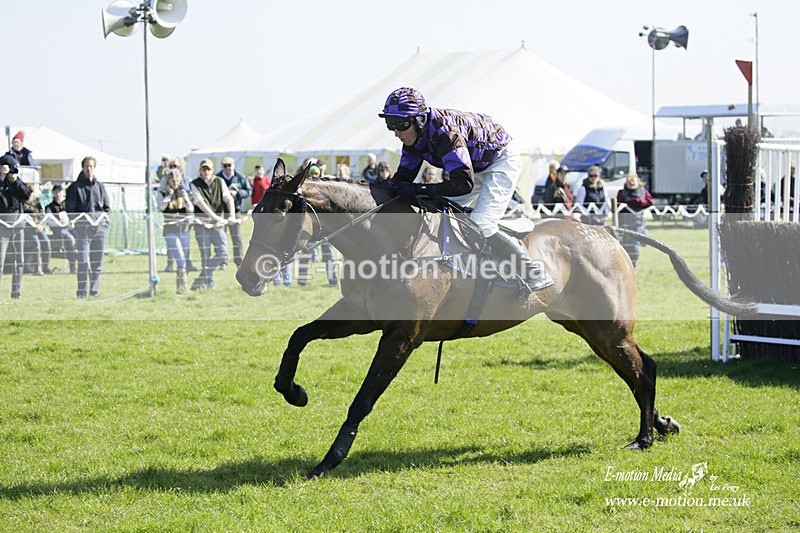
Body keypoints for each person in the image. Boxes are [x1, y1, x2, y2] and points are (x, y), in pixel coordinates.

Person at [379, 86, 552, 291]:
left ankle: (532, 271)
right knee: (435, 208)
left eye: (401, 124)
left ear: (420, 119)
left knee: (482, 224)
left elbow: (463, 184)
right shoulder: (414, 137)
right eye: (391, 124)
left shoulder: (446, 134)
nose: (396, 132)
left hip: (500, 160)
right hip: (474, 165)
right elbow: (402, 178)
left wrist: (419, 189)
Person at [65, 156, 111, 299]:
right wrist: (80, 221)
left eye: (91, 166)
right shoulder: (74, 188)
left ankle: (94, 291)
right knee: (84, 261)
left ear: (94, 168)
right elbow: (70, 210)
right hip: (83, 230)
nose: (89, 169)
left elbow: (107, 208)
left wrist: (103, 222)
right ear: (82, 167)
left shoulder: (100, 186)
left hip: (99, 230)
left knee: (97, 263)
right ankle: (82, 292)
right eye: (86, 166)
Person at [189, 158, 235, 290]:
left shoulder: (219, 181)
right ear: (200, 170)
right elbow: (199, 202)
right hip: (202, 224)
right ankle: (209, 281)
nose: (206, 171)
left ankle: (201, 278)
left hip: (218, 224)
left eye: (208, 169)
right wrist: (214, 217)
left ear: (212, 170)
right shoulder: (195, 184)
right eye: (204, 169)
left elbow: (228, 198)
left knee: (223, 253)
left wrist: (231, 214)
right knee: (205, 254)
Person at [0, 154, 31, 299]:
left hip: (18, 224)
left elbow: (26, 195)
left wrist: (15, 181)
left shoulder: (16, 182)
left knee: (19, 259)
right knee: (1, 259)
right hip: (2, 225)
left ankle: (16, 292)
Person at [159, 168, 194, 293]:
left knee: (184, 256)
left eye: (177, 180)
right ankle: (182, 285)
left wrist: (187, 199)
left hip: (183, 228)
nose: (175, 183)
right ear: (168, 181)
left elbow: (190, 210)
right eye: (172, 180)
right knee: (179, 257)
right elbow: (161, 207)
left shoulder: (183, 192)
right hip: (170, 229)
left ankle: (182, 285)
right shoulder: (164, 193)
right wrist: (168, 195)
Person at [216, 156, 252, 267]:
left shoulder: (240, 177)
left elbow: (249, 191)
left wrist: (237, 194)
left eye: (229, 165)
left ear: (233, 165)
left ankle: (239, 261)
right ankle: (222, 261)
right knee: (221, 237)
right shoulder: (217, 178)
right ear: (222, 166)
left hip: (235, 211)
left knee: (237, 238)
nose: (227, 168)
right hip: (220, 211)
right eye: (225, 166)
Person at [616, 172, 653, 268]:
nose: (631, 183)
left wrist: (639, 201)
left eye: (633, 181)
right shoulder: (621, 192)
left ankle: (633, 265)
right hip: (624, 224)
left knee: (634, 247)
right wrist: (632, 202)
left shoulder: (643, 191)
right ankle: (626, 265)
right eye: (629, 181)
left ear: (637, 181)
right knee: (624, 247)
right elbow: (618, 204)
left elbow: (649, 202)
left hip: (638, 223)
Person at [23, 183, 54, 275]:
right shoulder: (23, 204)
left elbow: (42, 215)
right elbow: (24, 217)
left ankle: (45, 267)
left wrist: (40, 225)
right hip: (27, 229)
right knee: (36, 244)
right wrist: (33, 225)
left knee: (47, 243)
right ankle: (38, 269)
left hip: (39, 227)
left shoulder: (38, 203)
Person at [45, 184, 77, 274]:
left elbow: (74, 216)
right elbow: (48, 221)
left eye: (60, 191)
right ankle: (73, 266)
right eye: (56, 192)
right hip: (58, 230)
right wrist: (59, 223)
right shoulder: (49, 207)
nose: (58, 194)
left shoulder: (69, 204)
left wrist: (72, 222)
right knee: (70, 240)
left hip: (71, 228)